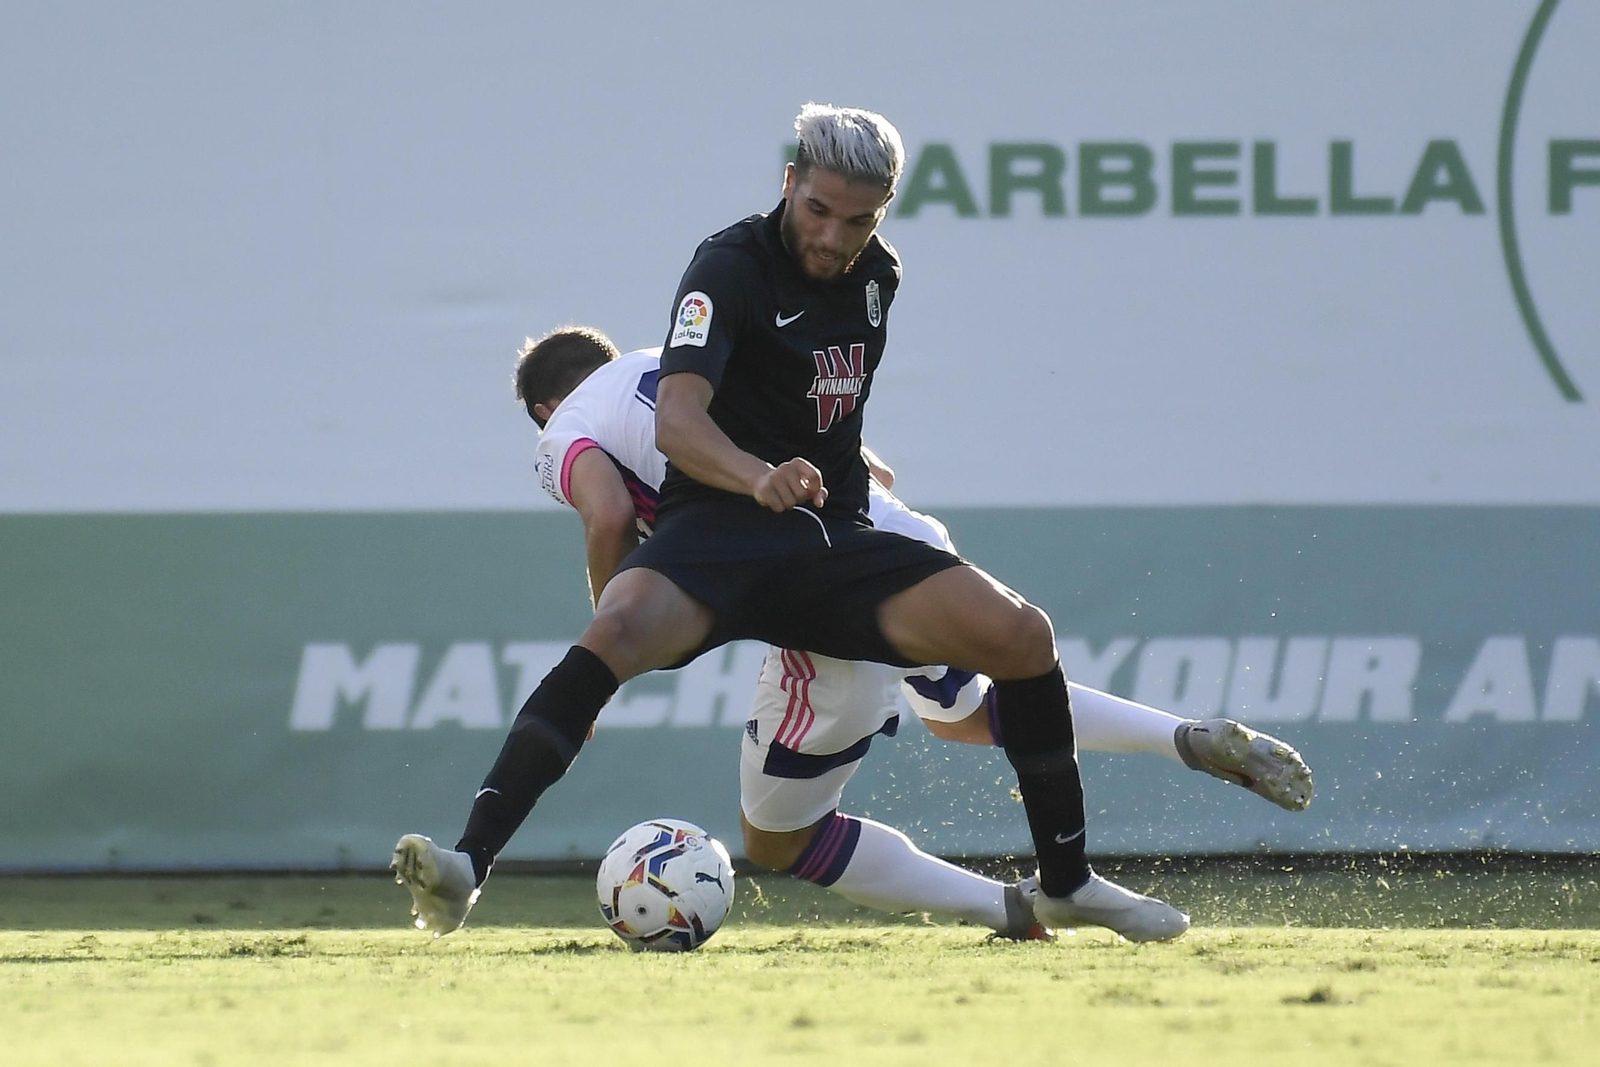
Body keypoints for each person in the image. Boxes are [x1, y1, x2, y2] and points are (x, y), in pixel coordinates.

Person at [395, 103, 1219, 943]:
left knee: (1021, 636)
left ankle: (1067, 881)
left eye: (858, 218)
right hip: (717, 527)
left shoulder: (877, 278)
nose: (832, 235)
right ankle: (467, 864)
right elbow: (678, 423)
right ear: (789, 183)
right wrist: (757, 477)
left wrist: (842, 473)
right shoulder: (727, 266)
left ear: (883, 210)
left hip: (827, 535)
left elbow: (829, 417)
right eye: (818, 209)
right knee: (616, 631)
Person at [413, 331, 1310, 940]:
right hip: (905, 543)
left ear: (543, 410)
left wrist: (611, 651)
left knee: (777, 840)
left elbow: (607, 513)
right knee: (977, 708)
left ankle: (1019, 910)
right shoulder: (679, 359)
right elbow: (840, 434)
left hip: (815, 592)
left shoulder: (567, 424)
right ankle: (1178, 737)